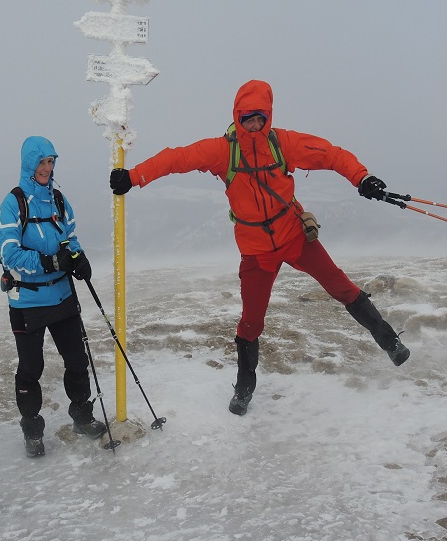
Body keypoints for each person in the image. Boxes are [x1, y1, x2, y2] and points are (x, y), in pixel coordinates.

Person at [108, 80, 410, 416]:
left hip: (294, 236)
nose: (255, 125)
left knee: (341, 287)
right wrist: (133, 177)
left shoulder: (283, 144)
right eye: (248, 118)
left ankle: (390, 342)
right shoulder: (222, 151)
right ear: (237, 116)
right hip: (256, 251)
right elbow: (177, 158)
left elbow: (331, 154)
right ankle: (244, 387)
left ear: (268, 117)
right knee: (251, 320)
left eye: (261, 118)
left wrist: (362, 178)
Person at [0, 135, 106, 457]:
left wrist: (78, 258)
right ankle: (32, 431)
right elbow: (8, 253)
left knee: (76, 361)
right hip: (28, 302)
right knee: (31, 369)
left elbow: (70, 237)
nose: (47, 168)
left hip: (62, 296)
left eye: (51, 162)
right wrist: (48, 262)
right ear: (29, 164)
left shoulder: (58, 200)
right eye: (42, 162)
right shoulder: (13, 202)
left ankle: (82, 419)